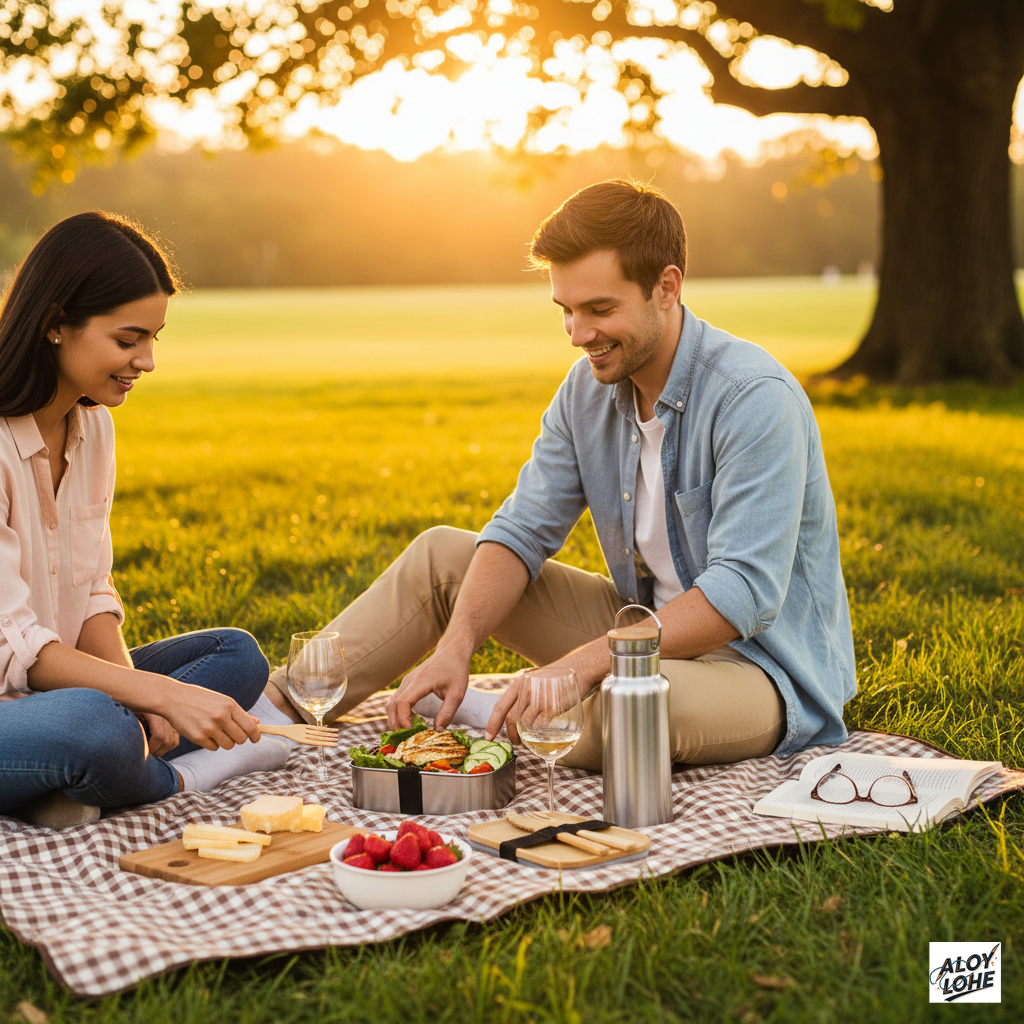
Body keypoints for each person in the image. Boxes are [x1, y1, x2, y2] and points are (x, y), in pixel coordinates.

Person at [266, 180, 856, 768]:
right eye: (566, 311)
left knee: (633, 708)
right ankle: (268, 716)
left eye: (600, 309)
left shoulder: (753, 397)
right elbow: (523, 528)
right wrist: (456, 645)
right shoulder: (586, 392)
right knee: (443, 558)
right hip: (639, 631)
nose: (578, 335)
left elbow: (742, 593)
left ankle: (480, 711)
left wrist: (583, 664)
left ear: (667, 288)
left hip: (759, 667)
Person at [0, 212, 290, 829]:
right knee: (93, 725)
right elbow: (14, 643)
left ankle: (74, 780)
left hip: (52, 691)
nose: (147, 361)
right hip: (28, 701)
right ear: (55, 324)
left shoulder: (94, 428)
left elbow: (92, 593)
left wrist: (145, 702)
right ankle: (182, 776)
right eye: (128, 340)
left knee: (235, 655)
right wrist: (154, 696)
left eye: (154, 338)